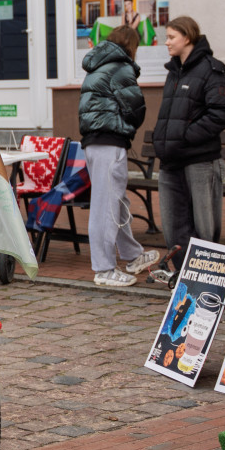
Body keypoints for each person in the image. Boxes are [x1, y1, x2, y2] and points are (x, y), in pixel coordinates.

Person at [153, 16, 225, 269]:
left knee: (204, 227)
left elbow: (220, 114)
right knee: (174, 226)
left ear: (187, 38)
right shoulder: (173, 71)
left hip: (200, 161)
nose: (166, 42)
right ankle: (183, 277)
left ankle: (207, 280)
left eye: (171, 37)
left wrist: (183, 138)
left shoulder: (212, 69)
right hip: (171, 162)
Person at [78, 26, 158, 287]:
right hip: (109, 141)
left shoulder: (98, 66)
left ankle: (132, 254)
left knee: (116, 201)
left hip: (95, 141)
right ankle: (104, 268)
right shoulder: (121, 67)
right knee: (106, 206)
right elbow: (135, 108)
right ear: (131, 46)